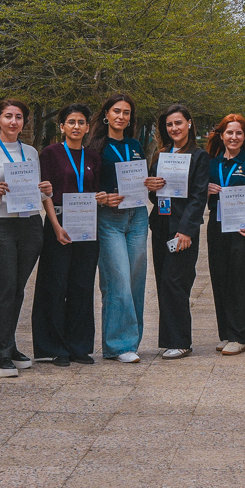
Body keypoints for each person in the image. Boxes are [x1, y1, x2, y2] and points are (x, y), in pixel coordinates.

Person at [0, 97, 48, 377]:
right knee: (2, 287)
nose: (13, 121)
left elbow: (35, 193)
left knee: (17, 288)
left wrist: (45, 190)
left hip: (29, 223)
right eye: (7, 116)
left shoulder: (31, 152)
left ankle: (10, 345)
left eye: (18, 117)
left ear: (24, 122)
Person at [34, 104, 101, 365]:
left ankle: (79, 346)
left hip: (87, 222)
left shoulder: (93, 157)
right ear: (61, 126)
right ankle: (54, 347)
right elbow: (46, 192)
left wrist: (103, 198)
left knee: (82, 285)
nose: (76, 126)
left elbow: (95, 191)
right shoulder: (50, 153)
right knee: (55, 284)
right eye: (71, 122)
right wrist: (55, 225)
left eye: (81, 122)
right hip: (58, 222)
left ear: (87, 127)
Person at [90, 94, 150, 364]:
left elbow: (139, 178)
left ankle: (131, 342)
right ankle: (117, 345)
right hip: (109, 218)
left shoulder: (136, 144)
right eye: (116, 111)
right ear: (106, 114)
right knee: (118, 281)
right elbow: (88, 186)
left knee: (136, 280)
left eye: (126, 112)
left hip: (137, 216)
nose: (121, 117)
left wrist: (152, 183)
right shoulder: (95, 147)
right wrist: (101, 196)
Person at [148, 104, 210, 358]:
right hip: (161, 226)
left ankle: (181, 341)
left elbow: (198, 197)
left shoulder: (199, 156)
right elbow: (155, 195)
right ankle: (169, 339)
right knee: (164, 282)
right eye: (170, 125)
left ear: (189, 123)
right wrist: (151, 187)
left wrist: (186, 231)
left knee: (177, 282)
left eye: (178, 123)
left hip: (183, 230)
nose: (174, 128)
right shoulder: (160, 154)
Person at [204, 112, 245, 354]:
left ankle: (239, 336)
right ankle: (226, 333)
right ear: (221, 135)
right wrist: (206, 189)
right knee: (220, 279)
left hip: (243, 228)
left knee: (241, 280)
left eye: (239, 133)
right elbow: (199, 195)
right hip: (217, 228)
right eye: (229, 132)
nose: (234, 137)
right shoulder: (212, 163)